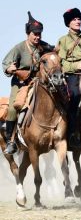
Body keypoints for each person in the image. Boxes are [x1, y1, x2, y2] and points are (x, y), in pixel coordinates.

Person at [2, 13, 52, 155]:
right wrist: (9, 68)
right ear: (28, 34)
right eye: (34, 34)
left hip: (39, 82)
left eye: (39, 34)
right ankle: (10, 140)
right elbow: (5, 63)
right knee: (12, 109)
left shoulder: (44, 46)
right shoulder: (19, 48)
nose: (37, 37)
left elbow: (54, 54)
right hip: (21, 84)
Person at [57, 8, 81, 150]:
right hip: (72, 76)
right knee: (74, 97)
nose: (77, 21)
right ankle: (72, 134)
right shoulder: (63, 41)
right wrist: (76, 65)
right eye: (74, 19)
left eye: (79, 19)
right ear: (68, 23)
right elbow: (60, 63)